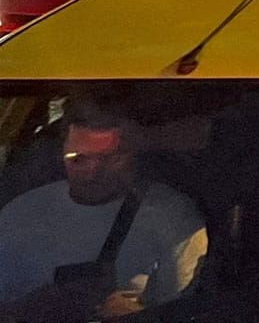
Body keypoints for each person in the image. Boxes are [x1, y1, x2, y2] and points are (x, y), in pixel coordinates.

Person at [0, 99, 206, 319]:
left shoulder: (172, 218)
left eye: (109, 159)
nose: (92, 173)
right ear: (61, 153)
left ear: (134, 154)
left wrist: (137, 316)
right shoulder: (22, 212)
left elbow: (189, 313)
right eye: (78, 159)